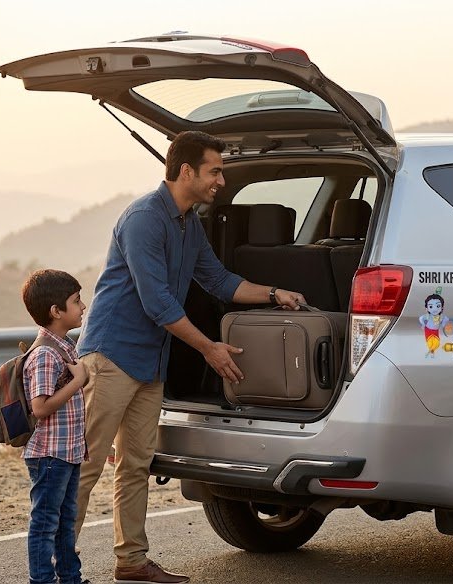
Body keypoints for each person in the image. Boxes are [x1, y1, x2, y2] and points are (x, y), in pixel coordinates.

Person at [73, 131, 306, 584]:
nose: (221, 179)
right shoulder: (143, 219)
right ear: (185, 171)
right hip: (112, 356)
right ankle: (58, 565)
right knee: (86, 466)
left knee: (136, 464)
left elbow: (218, 281)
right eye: (215, 170)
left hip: (150, 361)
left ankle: (132, 561)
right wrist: (209, 349)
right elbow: (157, 301)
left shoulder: (188, 222)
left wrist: (275, 294)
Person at [20, 269, 90, 584]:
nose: (83, 306)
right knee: (46, 523)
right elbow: (41, 407)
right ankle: (43, 580)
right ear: (56, 312)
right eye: (76, 301)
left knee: (65, 521)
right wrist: (79, 381)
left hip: (67, 451)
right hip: (50, 454)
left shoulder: (63, 345)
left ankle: (70, 577)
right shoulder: (46, 354)